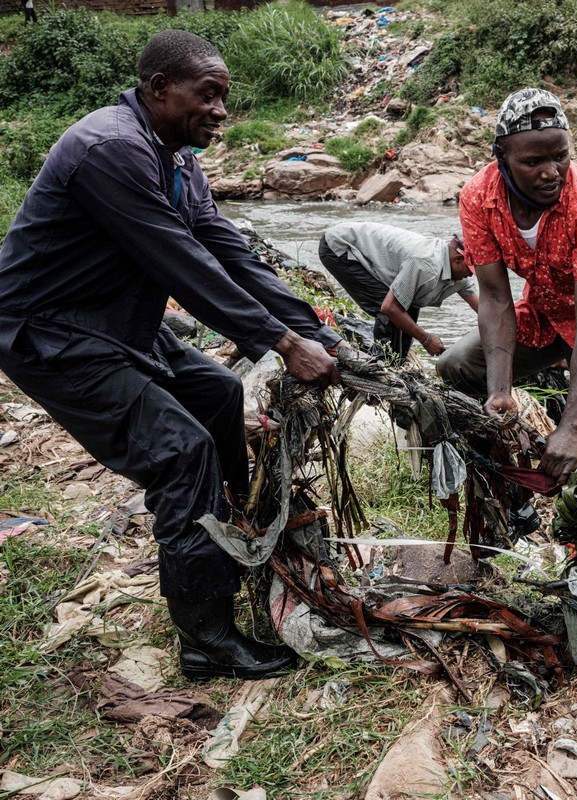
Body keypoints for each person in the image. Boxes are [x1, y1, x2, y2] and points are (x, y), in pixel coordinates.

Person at [0, 30, 343, 681]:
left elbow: (228, 251)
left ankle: (235, 550)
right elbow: (185, 268)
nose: (221, 111)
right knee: (180, 454)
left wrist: (313, 330)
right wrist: (282, 343)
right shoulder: (110, 150)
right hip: (52, 336)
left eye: (225, 97)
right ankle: (205, 636)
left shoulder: (179, 157)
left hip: (114, 321)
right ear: (159, 89)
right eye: (207, 95)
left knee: (218, 395)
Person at [436, 87, 577, 484]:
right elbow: (496, 299)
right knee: (457, 366)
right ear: (502, 157)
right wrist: (500, 391)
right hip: (546, 312)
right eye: (534, 161)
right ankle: (493, 473)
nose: (552, 172)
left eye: (560, 156)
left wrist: (571, 426)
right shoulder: (478, 198)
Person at [318, 222, 478, 360]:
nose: (471, 274)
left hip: (371, 251)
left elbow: (484, 308)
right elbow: (389, 308)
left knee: (408, 306)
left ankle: (397, 362)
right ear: (457, 259)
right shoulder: (426, 264)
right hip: (341, 247)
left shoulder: (461, 276)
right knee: (389, 312)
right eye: (470, 269)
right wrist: (426, 339)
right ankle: (381, 367)